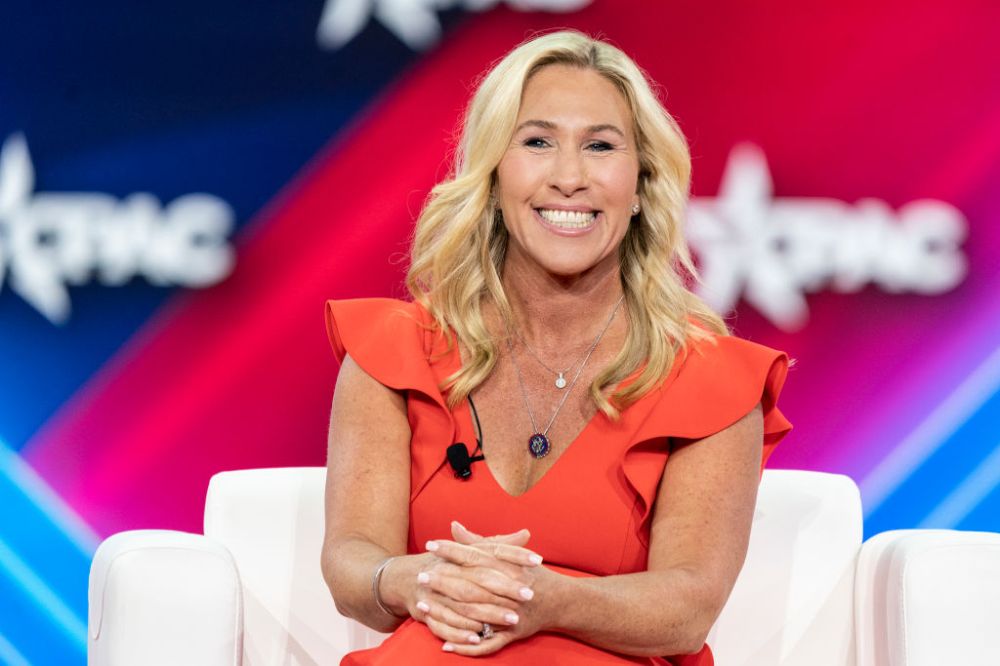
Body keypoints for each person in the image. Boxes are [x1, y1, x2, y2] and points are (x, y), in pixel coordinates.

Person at [320, 30, 791, 665]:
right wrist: (416, 579)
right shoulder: (393, 351)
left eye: (600, 146)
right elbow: (352, 560)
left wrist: (544, 600)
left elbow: (688, 610)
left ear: (641, 183)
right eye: (537, 142)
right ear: (493, 175)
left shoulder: (713, 381)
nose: (569, 177)